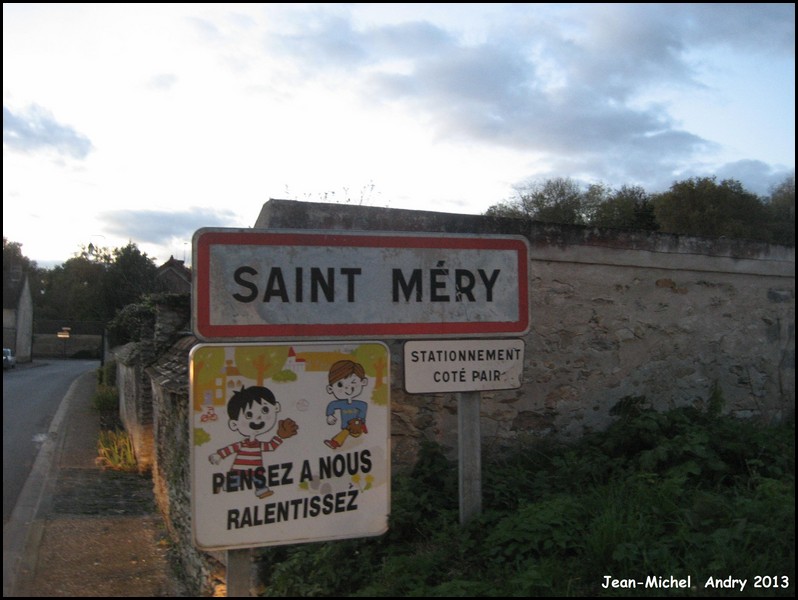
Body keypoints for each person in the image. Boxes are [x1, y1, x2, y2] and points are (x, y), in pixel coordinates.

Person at [209, 385, 298, 498]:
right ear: (234, 424)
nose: (258, 418)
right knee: (233, 483)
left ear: (276, 408)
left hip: (256, 471)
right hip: (240, 471)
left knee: (259, 480)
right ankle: (223, 486)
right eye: (249, 415)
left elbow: (271, 446)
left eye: (265, 410)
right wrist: (219, 455)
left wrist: (280, 436)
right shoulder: (242, 444)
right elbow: (230, 449)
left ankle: (262, 492)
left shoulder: (258, 445)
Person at [323, 360, 368, 450]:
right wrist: (330, 415)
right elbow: (332, 405)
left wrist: (359, 419)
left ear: (363, 382)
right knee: (345, 432)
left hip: (356, 427)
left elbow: (363, 407)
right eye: (340, 385)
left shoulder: (359, 404)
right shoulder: (341, 403)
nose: (348, 388)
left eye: (353, 382)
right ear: (330, 389)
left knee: (345, 433)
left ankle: (335, 443)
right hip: (346, 427)